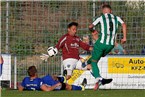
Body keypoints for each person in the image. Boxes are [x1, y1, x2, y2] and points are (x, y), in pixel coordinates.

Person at [88, 4, 127, 90]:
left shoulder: (101, 17)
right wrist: (124, 37)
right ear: (111, 11)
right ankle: (98, 81)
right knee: (91, 61)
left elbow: (90, 26)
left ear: (103, 11)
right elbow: (124, 25)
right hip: (111, 45)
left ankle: (98, 78)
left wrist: (93, 31)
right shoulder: (117, 18)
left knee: (93, 62)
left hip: (101, 44)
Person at [18, 66, 87, 91]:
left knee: (49, 77)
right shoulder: (38, 81)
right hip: (47, 85)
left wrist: (29, 87)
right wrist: (56, 85)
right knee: (66, 86)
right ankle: (81, 87)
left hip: (44, 81)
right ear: (35, 73)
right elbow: (47, 90)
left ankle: (63, 77)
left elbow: (20, 89)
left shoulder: (25, 80)